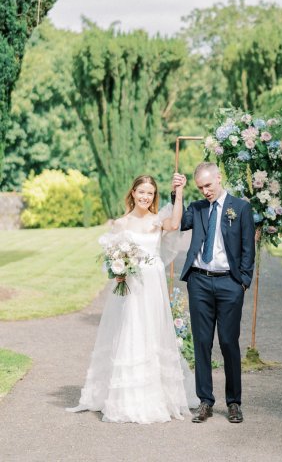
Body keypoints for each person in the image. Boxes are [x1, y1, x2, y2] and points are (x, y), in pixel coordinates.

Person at [67, 174, 198, 423]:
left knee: (153, 332)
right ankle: (127, 397)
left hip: (153, 286)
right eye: (142, 192)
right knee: (130, 332)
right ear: (133, 192)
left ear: (154, 197)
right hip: (132, 287)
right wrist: (117, 272)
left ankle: (157, 394)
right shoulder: (121, 223)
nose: (145, 197)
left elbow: (175, 224)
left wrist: (179, 193)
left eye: (150, 193)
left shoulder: (157, 221)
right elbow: (112, 257)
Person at [174, 162, 255, 424]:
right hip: (199, 281)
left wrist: (242, 282)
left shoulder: (240, 208)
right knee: (202, 343)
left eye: (208, 185)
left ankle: (234, 402)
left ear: (219, 178)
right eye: (200, 187)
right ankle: (205, 401)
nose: (205, 191)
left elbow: (247, 249)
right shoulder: (196, 208)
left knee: (229, 343)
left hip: (229, 284)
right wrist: (178, 192)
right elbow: (179, 222)